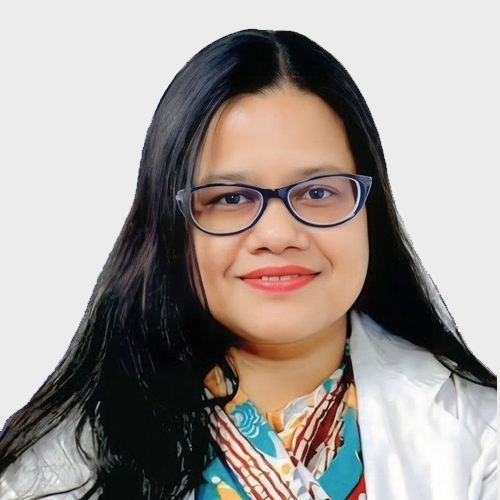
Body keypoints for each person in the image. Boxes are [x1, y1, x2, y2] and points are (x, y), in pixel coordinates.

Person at [0, 29, 496, 500]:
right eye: (230, 198)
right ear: (170, 226)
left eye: (318, 192)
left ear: (371, 209)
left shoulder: (481, 439)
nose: (278, 236)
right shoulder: (55, 471)